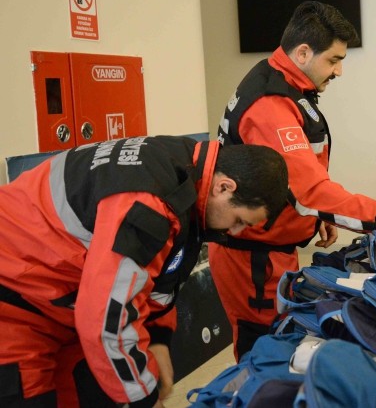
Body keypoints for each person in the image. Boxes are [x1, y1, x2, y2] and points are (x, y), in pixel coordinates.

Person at [212, 1, 376, 358]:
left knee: (281, 338)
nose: (339, 71)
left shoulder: (282, 82)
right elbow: (310, 191)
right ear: (303, 52)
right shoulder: (271, 104)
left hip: (270, 247)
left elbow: (293, 177)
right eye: (333, 60)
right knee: (264, 352)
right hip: (252, 256)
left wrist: (314, 216)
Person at [0, 136, 289, 407]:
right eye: (239, 220)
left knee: (97, 391)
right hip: (14, 296)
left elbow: (154, 277)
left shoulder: (188, 172)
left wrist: (158, 338)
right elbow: (106, 316)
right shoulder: (149, 204)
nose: (234, 231)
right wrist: (144, 399)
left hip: (61, 297)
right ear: (224, 187)